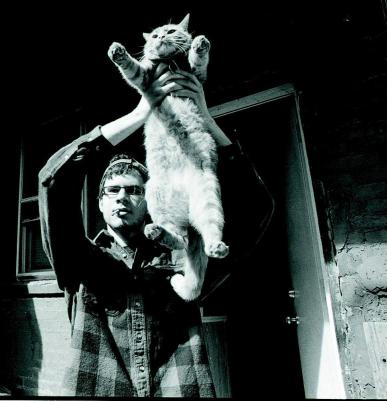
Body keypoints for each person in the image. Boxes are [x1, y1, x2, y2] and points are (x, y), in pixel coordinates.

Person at [38, 65, 274, 397]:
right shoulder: (77, 258)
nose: (122, 197)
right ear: (100, 204)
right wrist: (141, 112)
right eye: (113, 190)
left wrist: (204, 119)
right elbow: (53, 180)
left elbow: (256, 208)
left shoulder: (184, 258)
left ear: (150, 200)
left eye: (134, 190)